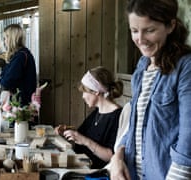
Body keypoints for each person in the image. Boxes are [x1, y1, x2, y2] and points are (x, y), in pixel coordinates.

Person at [109, 0, 191, 179]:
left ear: (170, 26)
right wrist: (117, 157)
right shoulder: (142, 66)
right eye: (134, 31)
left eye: (149, 30)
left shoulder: (186, 66)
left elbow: (188, 136)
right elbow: (133, 127)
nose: (140, 39)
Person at [55, 66, 123, 169]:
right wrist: (66, 132)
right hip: (82, 166)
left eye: (84, 91)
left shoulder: (117, 116)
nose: (83, 96)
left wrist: (84, 140)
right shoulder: (97, 112)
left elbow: (111, 156)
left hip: (98, 174)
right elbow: (81, 135)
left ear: (96, 91)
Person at [0, 24, 37, 106]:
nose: (4, 41)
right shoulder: (24, 54)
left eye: (5, 38)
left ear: (12, 38)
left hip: (20, 104)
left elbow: (7, 82)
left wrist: (2, 76)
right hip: (25, 101)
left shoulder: (20, 56)